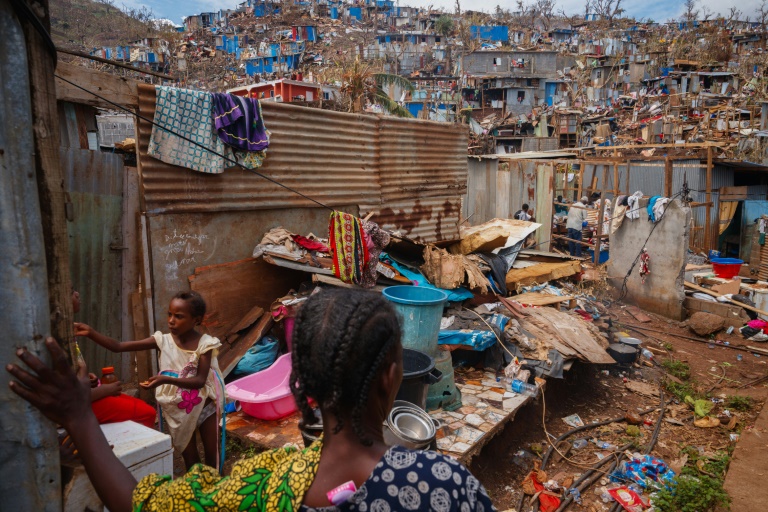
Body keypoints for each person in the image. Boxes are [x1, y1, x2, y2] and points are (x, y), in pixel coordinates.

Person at [8, 289, 497, 512]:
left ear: (298, 384)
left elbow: (141, 500)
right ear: (392, 379)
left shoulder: (261, 488)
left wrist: (78, 416)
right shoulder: (445, 484)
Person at [73, 290, 224, 470]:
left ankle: (217, 492)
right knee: (190, 457)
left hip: (204, 407)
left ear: (196, 320)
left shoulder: (205, 344)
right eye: (169, 314)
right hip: (178, 409)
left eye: (179, 316)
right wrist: (90, 332)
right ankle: (198, 493)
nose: (171, 320)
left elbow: (199, 381)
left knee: (212, 456)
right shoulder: (163, 340)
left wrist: (164, 380)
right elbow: (118, 346)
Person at [72, 289, 156, 429]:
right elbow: (117, 346)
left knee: (142, 407)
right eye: (70, 291)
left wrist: (86, 378)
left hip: (84, 397)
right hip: (78, 405)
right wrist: (104, 390)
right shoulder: (59, 336)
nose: (77, 293)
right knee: (147, 413)